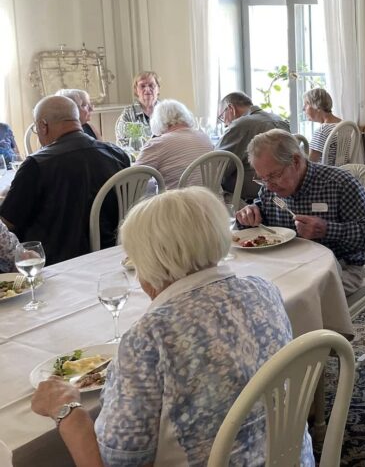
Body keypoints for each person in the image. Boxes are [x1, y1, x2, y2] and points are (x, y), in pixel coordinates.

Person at [30, 187, 314, 466]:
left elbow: (112, 463)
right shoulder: (263, 289)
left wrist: (67, 411)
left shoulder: (149, 337)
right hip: (290, 458)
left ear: (148, 261)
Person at [234, 129, 365, 295]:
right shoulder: (269, 189)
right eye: (263, 179)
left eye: (274, 175)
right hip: (283, 264)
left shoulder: (338, 183)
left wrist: (328, 230)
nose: (269, 186)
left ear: (295, 161)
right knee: (247, 290)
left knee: (290, 296)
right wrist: (248, 215)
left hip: (338, 267)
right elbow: (259, 218)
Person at [0, 96, 129, 263]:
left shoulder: (36, 165)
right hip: (111, 254)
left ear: (43, 126)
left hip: (54, 260)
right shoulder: (118, 154)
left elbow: (8, 223)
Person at [216, 91, 290, 203]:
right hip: (283, 190)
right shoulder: (278, 119)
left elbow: (217, 170)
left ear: (231, 108)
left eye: (222, 117)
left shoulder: (241, 125)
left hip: (248, 197)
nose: (225, 124)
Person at [135, 99, 214, 190]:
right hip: (213, 201)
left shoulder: (158, 144)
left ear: (157, 121)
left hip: (180, 203)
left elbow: (133, 181)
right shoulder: (204, 137)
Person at [115, 71, 161, 147]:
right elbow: (122, 143)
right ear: (136, 90)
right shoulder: (128, 113)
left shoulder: (167, 112)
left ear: (158, 89)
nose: (147, 89)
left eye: (151, 85)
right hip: (138, 158)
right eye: (142, 86)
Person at [303, 87, 342, 164]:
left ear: (317, 106)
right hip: (341, 172)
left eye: (306, 104)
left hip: (325, 174)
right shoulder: (342, 124)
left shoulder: (323, 130)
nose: (303, 109)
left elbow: (310, 163)